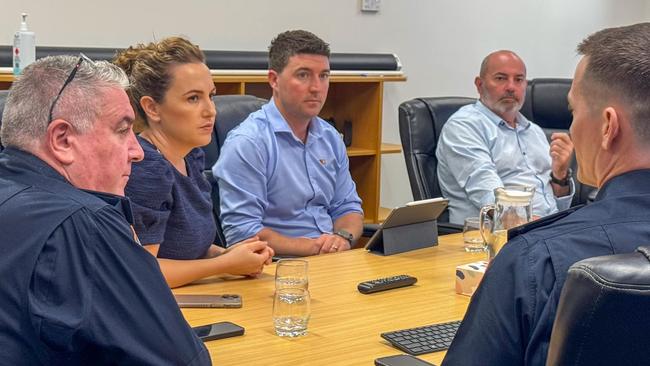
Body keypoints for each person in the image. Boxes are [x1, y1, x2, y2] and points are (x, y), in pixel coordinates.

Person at [443, 22, 650, 365]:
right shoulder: (466, 126)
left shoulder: (533, 261)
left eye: (573, 111)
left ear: (607, 127)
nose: (570, 126)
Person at [0, 55, 210, 364]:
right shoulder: (82, 224)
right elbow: (184, 360)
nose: (137, 152)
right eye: (123, 130)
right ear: (62, 140)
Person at [114, 37, 274, 288]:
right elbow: (143, 272)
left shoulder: (191, 155)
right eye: (193, 98)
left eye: (210, 96)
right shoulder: (146, 166)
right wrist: (224, 264)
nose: (211, 110)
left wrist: (231, 256)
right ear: (152, 108)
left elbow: (185, 249)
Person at [213, 30, 364, 256]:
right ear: (274, 80)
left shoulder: (330, 137)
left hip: (332, 261)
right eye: (303, 75)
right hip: (275, 268)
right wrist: (316, 247)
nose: (316, 87)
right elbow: (244, 234)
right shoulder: (249, 143)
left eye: (323, 76)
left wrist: (342, 237)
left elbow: (348, 208)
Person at [436, 50, 575, 225]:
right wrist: (543, 227)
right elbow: (490, 198)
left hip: (545, 231)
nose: (511, 87)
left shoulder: (535, 132)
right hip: (495, 237)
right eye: (501, 78)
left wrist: (560, 176)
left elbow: (558, 208)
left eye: (518, 79)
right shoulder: (464, 127)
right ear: (479, 85)